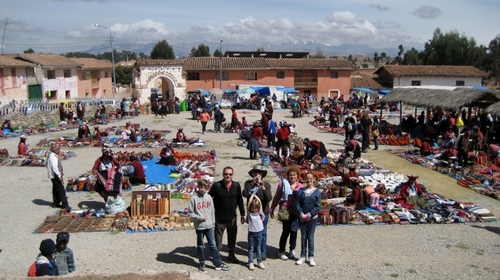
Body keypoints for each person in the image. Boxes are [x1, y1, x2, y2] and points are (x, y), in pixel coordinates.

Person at [188, 179, 230, 272]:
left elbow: (212, 211)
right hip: (200, 226)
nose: (202, 189)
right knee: (200, 245)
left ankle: (218, 263)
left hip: (209, 226)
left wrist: (213, 224)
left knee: (213, 245)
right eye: (201, 187)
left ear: (207, 188)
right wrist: (199, 217)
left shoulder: (209, 197)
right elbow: (190, 213)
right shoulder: (194, 198)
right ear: (198, 187)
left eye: (204, 187)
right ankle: (202, 262)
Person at [208, 166, 245, 263]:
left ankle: (231, 254)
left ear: (232, 175)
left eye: (230, 174)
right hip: (219, 218)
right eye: (226, 174)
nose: (228, 176)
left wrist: (243, 214)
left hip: (232, 217)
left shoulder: (236, 186)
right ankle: (217, 256)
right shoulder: (217, 186)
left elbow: (240, 200)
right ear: (223, 174)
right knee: (218, 240)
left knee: (232, 237)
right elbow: (208, 198)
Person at [270, 165, 304, 261]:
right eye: (290, 175)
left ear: (297, 176)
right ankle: (281, 251)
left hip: (296, 211)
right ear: (288, 176)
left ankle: (292, 250)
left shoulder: (301, 186)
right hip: (285, 210)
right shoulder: (282, 184)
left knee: (294, 231)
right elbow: (277, 197)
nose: (292, 177)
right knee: (285, 231)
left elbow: (303, 200)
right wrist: (272, 208)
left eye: (294, 175)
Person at [243, 164, 272, 261]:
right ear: (252, 174)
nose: (257, 174)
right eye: (255, 172)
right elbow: (245, 194)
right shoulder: (248, 183)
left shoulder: (266, 184)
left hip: (263, 212)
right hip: (252, 213)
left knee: (263, 233)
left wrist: (262, 187)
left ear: (262, 175)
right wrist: (252, 184)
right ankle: (254, 251)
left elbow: (268, 198)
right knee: (252, 232)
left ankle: (262, 252)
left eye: (259, 172)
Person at [295, 172, 321, 267]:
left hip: (312, 219)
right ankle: (302, 256)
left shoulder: (317, 192)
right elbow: (297, 203)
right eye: (307, 178)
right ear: (305, 179)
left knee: (310, 237)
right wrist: (301, 213)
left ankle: (311, 256)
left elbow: (318, 206)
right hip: (302, 218)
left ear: (314, 179)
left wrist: (310, 214)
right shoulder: (301, 191)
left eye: (311, 178)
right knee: (303, 237)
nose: (309, 180)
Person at [46, 143, 71, 212]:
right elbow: (54, 167)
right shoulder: (53, 157)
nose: (59, 150)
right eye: (58, 149)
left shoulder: (51, 155)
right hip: (55, 175)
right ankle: (65, 204)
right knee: (61, 189)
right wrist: (59, 175)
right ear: (56, 150)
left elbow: (46, 164)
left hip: (53, 175)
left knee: (55, 189)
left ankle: (56, 203)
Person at [246, 193, 266, 270]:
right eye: (253, 208)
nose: (254, 209)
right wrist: (252, 195)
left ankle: (259, 261)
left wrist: (256, 196)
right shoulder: (249, 213)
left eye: (256, 208)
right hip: (251, 232)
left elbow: (260, 203)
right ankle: (251, 262)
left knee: (258, 247)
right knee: (251, 248)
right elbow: (249, 203)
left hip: (259, 232)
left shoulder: (260, 213)